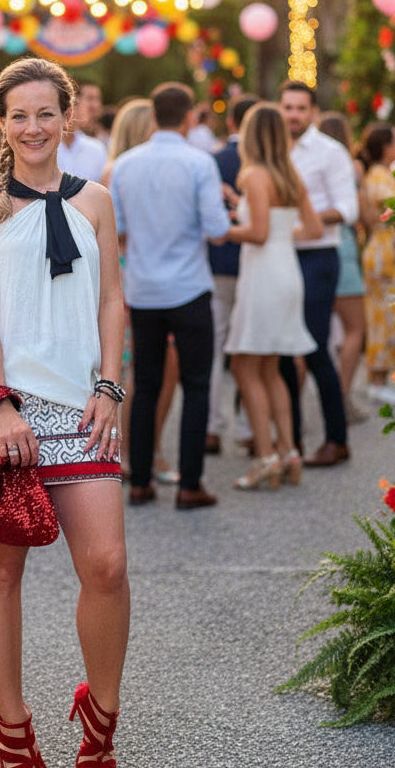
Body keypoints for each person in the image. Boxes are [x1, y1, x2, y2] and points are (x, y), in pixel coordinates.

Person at [0, 56, 127, 768]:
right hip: (5, 405)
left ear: (69, 117)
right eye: (18, 115)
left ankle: (101, 713)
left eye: (45, 113)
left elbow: (115, 301)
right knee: (3, 573)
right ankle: (15, 732)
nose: (32, 128)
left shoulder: (98, 202)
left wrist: (110, 385)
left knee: (108, 565)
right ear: (1, 122)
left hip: (82, 404)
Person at [111, 82, 231, 508]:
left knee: (145, 385)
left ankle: (140, 480)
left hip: (143, 289)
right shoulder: (199, 163)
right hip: (189, 287)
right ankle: (189, 484)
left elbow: (117, 228)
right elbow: (217, 230)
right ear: (187, 117)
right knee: (196, 385)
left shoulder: (124, 165)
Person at [223, 104, 323, 489]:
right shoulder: (289, 175)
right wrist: (254, 220)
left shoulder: (253, 174)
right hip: (287, 271)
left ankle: (266, 456)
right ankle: (289, 451)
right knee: (271, 368)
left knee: (244, 367)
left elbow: (258, 233)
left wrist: (223, 230)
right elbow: (312, 229)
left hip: (263, 276)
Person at [278, 81, 359, 467]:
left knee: (313, 348)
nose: (293, 114)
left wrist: (301, 219)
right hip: (279, 257)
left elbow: (348, 209)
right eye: (287, 107)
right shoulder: (273, 150)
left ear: (312, 113)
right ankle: (291, 441)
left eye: (300, 108)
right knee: (280, 352)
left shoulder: (331, 152)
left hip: (318, 257)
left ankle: (336, 439)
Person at [102, 98, 179, 485]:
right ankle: (132, 450)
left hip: (144, 272)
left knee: (160, 366)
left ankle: (147, 446)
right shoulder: (116, 171)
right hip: (132, 273)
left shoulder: (128, 169)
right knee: (139, 368)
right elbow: (111, 232)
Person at [206, 92, 259, 454]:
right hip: (256, 262)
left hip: (219, 260)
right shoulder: (265, 162)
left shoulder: (214, 160)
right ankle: (248, 426)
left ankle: (211, 426)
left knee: (214, 346)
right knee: (250, 347)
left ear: (230, 123)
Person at [358, 123, 395, 404]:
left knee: (391, 314)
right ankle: (377, 378)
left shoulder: (384, 173)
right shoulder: (380, 175)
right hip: (386, 255)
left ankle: (382, 376)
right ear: (385, 146)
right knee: (383, 316)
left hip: (393, 253)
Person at [318, 112, 368, 424]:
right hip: (344, 248)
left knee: (315, 331)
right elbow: (360, 211)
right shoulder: (352, 167)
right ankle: (341, 395)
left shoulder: (314, 162)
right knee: (354, 328)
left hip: (317, 249)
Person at [58, 82, 107, 182]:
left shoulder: (97, 149)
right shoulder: (43, 147)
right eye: (90, 98)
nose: (96, 106)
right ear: (71, 102)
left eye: (98, 100)